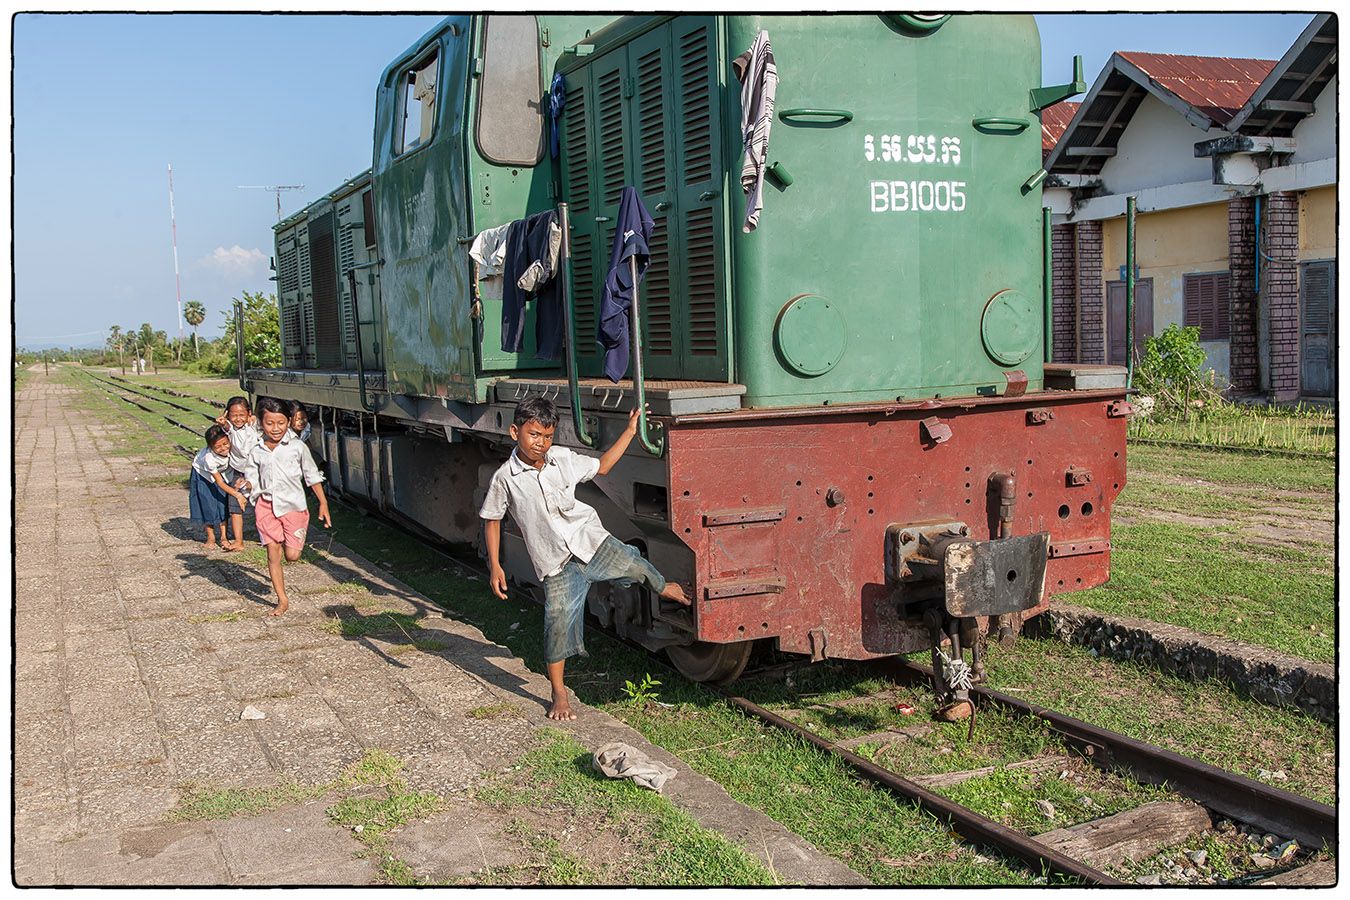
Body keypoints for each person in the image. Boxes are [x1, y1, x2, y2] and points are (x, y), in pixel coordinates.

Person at [479, 397, 688, 721]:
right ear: (514, 431)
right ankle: (558, 693)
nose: (541, 443)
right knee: (557, 624)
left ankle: (664, 587)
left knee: (636, 565)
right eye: (534, 435)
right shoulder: (504, 478)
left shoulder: (562, 458)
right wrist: (495, 564)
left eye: (548, 436)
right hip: (557, 565)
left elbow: (602, 466)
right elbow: (492, 519)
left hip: (591, 543)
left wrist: (631, 431)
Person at [238, 396, 331, 616]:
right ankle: (282, 599)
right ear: (261, 423)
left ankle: (291, 547)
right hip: (266, 506)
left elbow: (311, 475)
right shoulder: (257, 451)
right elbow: (252, 478)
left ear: (289, 421)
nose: (275, 428)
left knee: (292, 555)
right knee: (273, 553)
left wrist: (323, 503)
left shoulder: (297, 447)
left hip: (293, 507)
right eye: (269, 423)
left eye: (280, 423)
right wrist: (245, 485)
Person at [188, 425, 245, 549]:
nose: (223, 448)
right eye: (218, 447)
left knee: (222, 502)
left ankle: (224, 536)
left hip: (223, 474)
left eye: (225, 444)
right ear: (210, 447)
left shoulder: (233, 447)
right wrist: (237, 494)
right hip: (203, 476)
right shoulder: (209, 459)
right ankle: (211, 537)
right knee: (208, 504)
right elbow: (219, 482)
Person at [215, 396, 260, 552]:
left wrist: (253, 417)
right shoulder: (229, 429)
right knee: (235, 507)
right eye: (234, 415)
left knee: (262, 504)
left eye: (242, 415)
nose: (238, 419)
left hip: (257, 472)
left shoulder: (254, 425)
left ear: (248, 414)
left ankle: (267, 536)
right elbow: (224, 424)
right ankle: (239, 541)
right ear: (228, 415)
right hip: (238, 472)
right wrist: (224, 419)